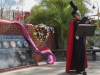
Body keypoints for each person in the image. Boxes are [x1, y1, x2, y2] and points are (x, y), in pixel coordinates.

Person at [66, 1, 91, 74]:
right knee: (78, 55)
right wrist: (85, 17)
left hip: (81, 41)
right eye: (78, 14)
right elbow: (79, 25)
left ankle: (82, 69)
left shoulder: (80, 21)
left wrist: (89, 22)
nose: (80, 15)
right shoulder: (74, 22)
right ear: (74, 15)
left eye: (80, 14)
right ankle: (78, 69)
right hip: (76, 41)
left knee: (82, 55)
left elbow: (86, 27)